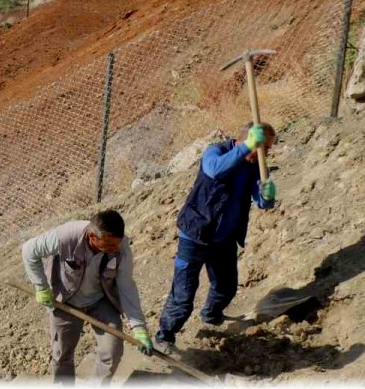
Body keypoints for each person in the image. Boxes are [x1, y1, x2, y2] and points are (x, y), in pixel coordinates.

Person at [153, 124, 277, 355]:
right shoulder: (216, 152)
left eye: (267, 150)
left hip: (225, 238)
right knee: (183, 294)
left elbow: (261, 201)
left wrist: (267, 197)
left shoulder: (256, 166)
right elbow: (215, 171)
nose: (264, 155)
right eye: (262, 148)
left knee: (226, 286)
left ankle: (211, 314)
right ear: (246, 140)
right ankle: (165, 336)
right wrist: (249, 146)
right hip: (195, 234)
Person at [22, 210, 153, 385]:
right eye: (109, 246)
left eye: (117, 244)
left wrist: (139, 329)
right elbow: (29, 250)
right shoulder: (67, 236)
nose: (115, 249)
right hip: (66, 301)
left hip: (99, 300)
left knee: (112, 351)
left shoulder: (121, 248)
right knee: (62, 355)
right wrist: (41, 287)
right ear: (92, 237)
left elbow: (126, 286)